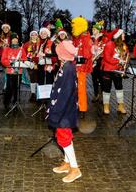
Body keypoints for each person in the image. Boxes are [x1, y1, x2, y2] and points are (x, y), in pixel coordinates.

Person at [48, 39, 81, 183]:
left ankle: (75, 168)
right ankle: (67, 163)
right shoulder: (66, 65)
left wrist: (56, 111)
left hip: (64, 110)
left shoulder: (68, 69)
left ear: (63, 54)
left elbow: (66, 93)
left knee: (64, 137)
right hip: (63, 109)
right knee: (63, 136)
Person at [101, 28, 129, 114]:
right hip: (108, 70)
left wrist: (125, 61)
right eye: (123, 34)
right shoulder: (109, 44)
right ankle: (106, 107)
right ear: (119, 36)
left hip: (118, 70)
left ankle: (120, 106)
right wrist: (118, 61)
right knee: (106, 89)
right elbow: (107, 58)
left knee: (119, 88)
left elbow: (126, 56)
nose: (124, 35)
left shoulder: (123, 45)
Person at [71, 16, 92, 118]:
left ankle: (82, 109)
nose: (72, 29)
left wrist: (78, 56)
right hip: (75, 67)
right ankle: (76, 106)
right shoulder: (76, 38)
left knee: (81, 89)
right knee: (74, 88)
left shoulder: (86, 39)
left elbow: (87, 55)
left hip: (81, 68)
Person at [1, 33, 27, 110]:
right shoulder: (7, 49)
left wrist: (20, 61)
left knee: (17, 87)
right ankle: (6, 102)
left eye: (16, 39)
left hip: (18, 72)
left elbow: (24, 58)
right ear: (11, 40)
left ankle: (16, 102)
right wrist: (10, 63)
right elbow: (3, 60)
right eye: (13, 39)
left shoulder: (21, 49)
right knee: (9, 87)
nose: (15, 40)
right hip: (10, 71)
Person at [90, 21, 107, 102]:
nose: (93, 30)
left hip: (100, 60)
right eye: (92, 29)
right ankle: (96, 94)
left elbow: (105, 48)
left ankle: (102, 95)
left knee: (101, 79)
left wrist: (100, 51)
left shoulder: (103, 38)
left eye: (94, 29)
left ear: (98, 30)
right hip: (92, 61)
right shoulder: (91, 38)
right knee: (94, 79)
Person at [23, 31, 40, 101]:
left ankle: (39, 95)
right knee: (32, 78)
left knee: (39, 78)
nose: (34, 36)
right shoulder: (26, 44)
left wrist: (37, 63)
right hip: (30, 63)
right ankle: (33, 94)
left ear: (37, 36)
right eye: (32, 35)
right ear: (30, 36)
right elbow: (23, 54)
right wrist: (27, 62)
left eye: (35, 35)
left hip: (39, 63)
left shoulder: (40, 44)